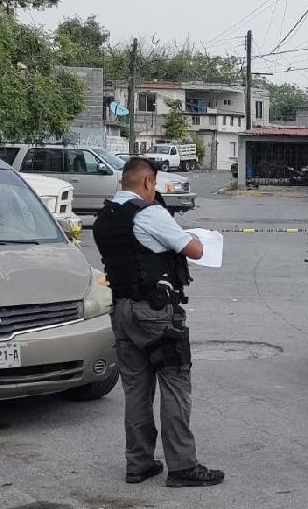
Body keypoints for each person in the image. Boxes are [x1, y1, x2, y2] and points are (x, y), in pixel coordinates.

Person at [92, 157, 225, 488]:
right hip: (154, 313)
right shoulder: (148, 214)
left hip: (121, 311)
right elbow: (193, 249)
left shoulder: (104, 218)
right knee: (175, 383)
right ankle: (182, 466)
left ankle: (138, 464)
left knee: (136, 389)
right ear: (148, 183)